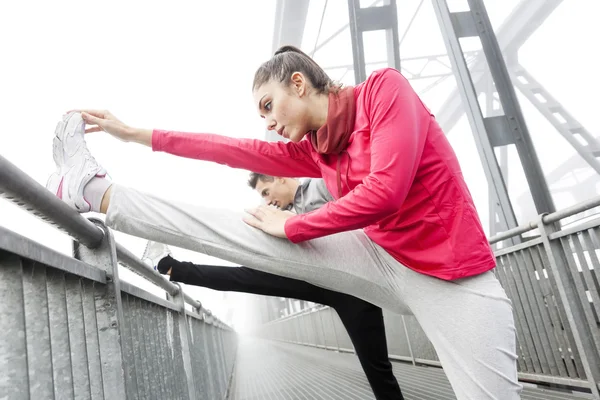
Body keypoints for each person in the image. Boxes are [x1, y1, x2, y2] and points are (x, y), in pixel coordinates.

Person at [47, 45, 521, 399]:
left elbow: (388, 189)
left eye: (268, 106)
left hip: (453, 278)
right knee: (246, 226)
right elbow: (231, 149)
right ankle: (95, 190)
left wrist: (293, 226)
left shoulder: (384, 91)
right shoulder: (315, 148)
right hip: (381, 257)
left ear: (298, 83)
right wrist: (133, 134)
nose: (267, 123)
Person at [142, 173, 403, 400]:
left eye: (266, 192)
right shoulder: (280, 213)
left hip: (355, 287)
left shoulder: (321, 187)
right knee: (245, 277)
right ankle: (170, 267)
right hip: (313, 280)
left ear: (280, 176)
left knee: (377, 368)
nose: (267, 200)